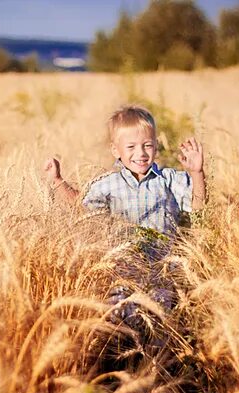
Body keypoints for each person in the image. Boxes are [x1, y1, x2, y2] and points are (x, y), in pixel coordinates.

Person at [43, 105, 206, 332]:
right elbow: (81, 206)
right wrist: (58, 180)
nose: (140, 153)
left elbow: (197, 207)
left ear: (156, 145)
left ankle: (157, 363)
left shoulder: (168, 179)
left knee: (160, 328)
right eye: (131, 147)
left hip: (161, 271)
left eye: (147, 145)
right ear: (115, 150)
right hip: (122, 272)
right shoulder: (108, 184)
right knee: (119, 328)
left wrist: (197, 173)